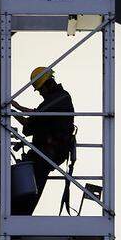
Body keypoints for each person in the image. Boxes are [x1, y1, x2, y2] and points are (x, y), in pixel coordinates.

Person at [11, 67, 75, 215]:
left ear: (48, 84)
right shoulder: (50, 102)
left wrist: (18, 107)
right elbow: (29, 126)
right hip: (43, 151)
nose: (40, 93)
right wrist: (12, 113)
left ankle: (20, 216)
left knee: (34, 180)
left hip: (52, 151)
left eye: (40, 90)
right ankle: (14, 213)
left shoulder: (61, 98)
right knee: (26, 178)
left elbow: (38, 115)